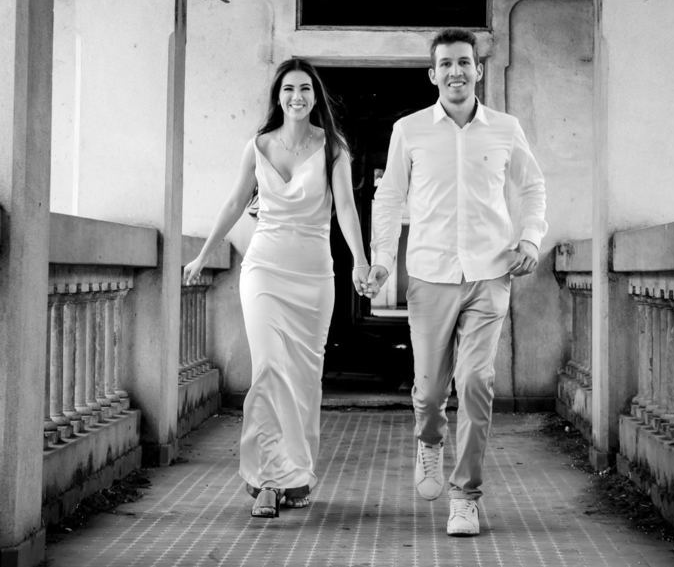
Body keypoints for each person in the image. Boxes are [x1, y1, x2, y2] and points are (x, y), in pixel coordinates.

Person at [363, 28, 547, 537]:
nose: (456, 72)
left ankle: (465, 497)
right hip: (430, 275)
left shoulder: (506, 129)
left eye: (464, 62)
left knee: (475, 382)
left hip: (490, 275)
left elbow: (532, 186)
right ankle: (429, 441)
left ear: (478, 70)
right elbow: (389, 197)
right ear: (432, 74)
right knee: (428, 393)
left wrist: (530, 239)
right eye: (445, 64)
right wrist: (382, 260)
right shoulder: (410, 130)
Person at [184, 58, 368, 519]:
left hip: (314, 276)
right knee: (268, 369)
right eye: (288, 89)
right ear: (278, 96)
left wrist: (361, 261)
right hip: (264, 269)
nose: (296, 97)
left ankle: (296, 473)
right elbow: (234, 201)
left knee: (303, 377)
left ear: (315, 96)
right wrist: (203, 254)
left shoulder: (333, 147)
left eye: (305, 89)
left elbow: (346, 208)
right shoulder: (258, 145)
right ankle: (267, 479)